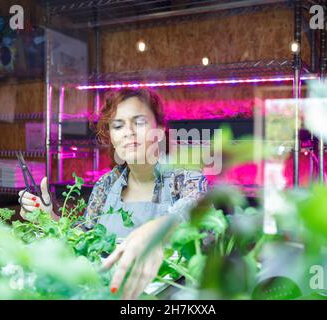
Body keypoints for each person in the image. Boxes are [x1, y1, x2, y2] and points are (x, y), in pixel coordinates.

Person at [18, 88, 208, 299]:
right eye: (118, 125)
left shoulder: (187, 179)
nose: (129, 132)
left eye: (139, 122)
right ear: (111, 136)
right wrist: (49, 219)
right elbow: (83, 237)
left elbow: (191, 211)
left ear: (160, 129)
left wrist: (155, 231)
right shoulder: (106, 185)